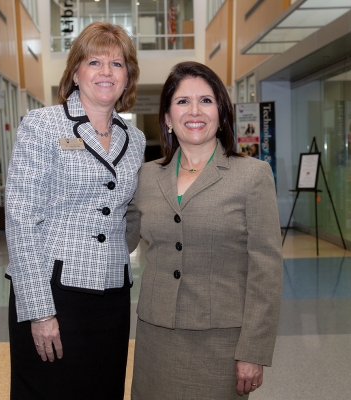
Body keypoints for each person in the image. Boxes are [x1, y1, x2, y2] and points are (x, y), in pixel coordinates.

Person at [5, 21, 145, 399]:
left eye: (117, 64)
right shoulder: (43, 125)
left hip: (113, 295)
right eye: (94, 62)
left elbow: (129, 210)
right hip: (54, 293)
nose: (106, 72)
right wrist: (40, 311)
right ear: (76, 72)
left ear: (128, 76)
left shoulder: (135, 139)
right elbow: (20, 219)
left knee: (105, 389)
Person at [126, 61, 283, 399]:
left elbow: (266, 270)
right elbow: (120, 240)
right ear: (167, 117)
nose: (194, 111)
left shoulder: (252, 175)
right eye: (182, 101)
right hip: (156, 335)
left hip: (221, 341)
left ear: (221, 112)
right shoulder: (147, 177)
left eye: (206, 101)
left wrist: (253, 350)